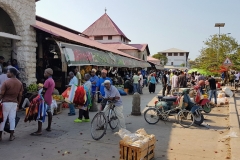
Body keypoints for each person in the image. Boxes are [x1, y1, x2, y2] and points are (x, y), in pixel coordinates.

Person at [0, 68, 23, 141]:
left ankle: (0, 136)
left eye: (8, 72)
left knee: (2, 119)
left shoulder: (6, 82)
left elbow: (1, 94)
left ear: (12, 73)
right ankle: (11, 136)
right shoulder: (19, 83)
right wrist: (18, 104)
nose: (7, 74)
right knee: (12, 119)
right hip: (14, 103)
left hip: (5, 102)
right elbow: (20, 95)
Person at [30, 68, 55, 136]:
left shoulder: (47, 81)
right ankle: (49, 127)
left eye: (45, 73)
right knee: (49, 112)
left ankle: (39, 130)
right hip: (49, 99)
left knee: (40, 113)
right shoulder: (52, 80)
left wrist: (39, 97)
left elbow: (44, 90)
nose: (44, 74)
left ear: (48, 73)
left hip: (44, 99)